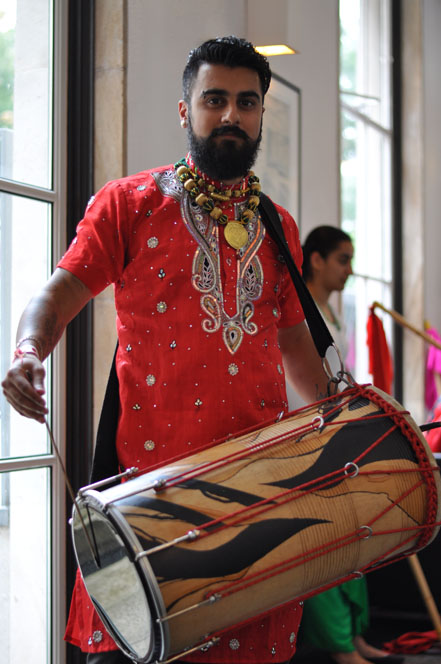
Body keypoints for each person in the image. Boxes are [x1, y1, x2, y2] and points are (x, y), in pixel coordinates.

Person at [1, 37, 332, 664]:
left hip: (258, 495)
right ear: (186, 111)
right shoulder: (129, 204)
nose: (231, 115)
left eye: (246, 102)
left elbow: (298, 353)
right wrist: (27, 351)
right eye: (214, 99)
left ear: (261, 113)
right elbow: (58, 294)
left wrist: (347, 429)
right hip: (147, 496)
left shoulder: (279, 227)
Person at [297, 226, 402, 664]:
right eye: (343, 259)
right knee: (322, 544)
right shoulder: (300, 313)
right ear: (316, 260)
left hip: (338, 434)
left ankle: (355, 637)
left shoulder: (330, 312)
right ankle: (340, 646)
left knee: (353, 537)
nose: (350, 270)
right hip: (308, 441)